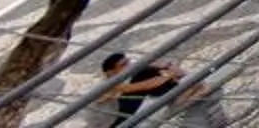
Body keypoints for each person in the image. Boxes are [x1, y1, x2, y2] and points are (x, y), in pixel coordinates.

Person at [99, 53, 231, 126]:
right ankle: (186, 92)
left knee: (148, 71)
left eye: (129, 62)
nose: (130, 65)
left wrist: (165, 66)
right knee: (147, 74)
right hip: (121, 123)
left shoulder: (131, 75)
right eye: (124, 65)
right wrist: (169, 75)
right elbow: (144, 86)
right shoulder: (108, 86)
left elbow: (179, 73)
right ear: (110, 72)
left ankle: (188, 90)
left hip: (141, 110)